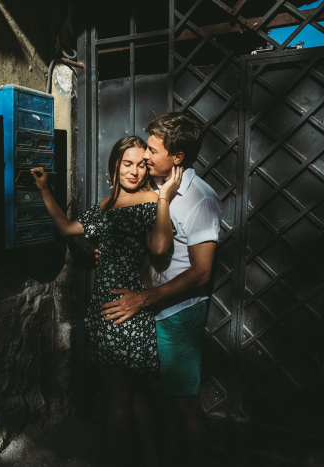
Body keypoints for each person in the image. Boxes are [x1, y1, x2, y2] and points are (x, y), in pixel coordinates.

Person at [31, 135, 182, 467]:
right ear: (115, 164)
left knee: (126, 398)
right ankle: (149, 458)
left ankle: (132, 459)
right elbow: (69, 228)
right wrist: (44, 190)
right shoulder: (105, 206)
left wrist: (164, 198)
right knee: (128, 396)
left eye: (142, 165)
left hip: (131, 309)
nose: (135, 171)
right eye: (127, 163)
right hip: (106, 310)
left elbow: (159, 249)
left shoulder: (151, 201)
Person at [99, 113, 223, 467]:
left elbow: (201, 273)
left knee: (183, 403)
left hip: (177, 314)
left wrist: (143, 298)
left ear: (178, 157)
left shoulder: (200, 199)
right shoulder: (157, 190)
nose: (146, 156)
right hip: (150, 310)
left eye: (153, 150)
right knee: (154, 397)